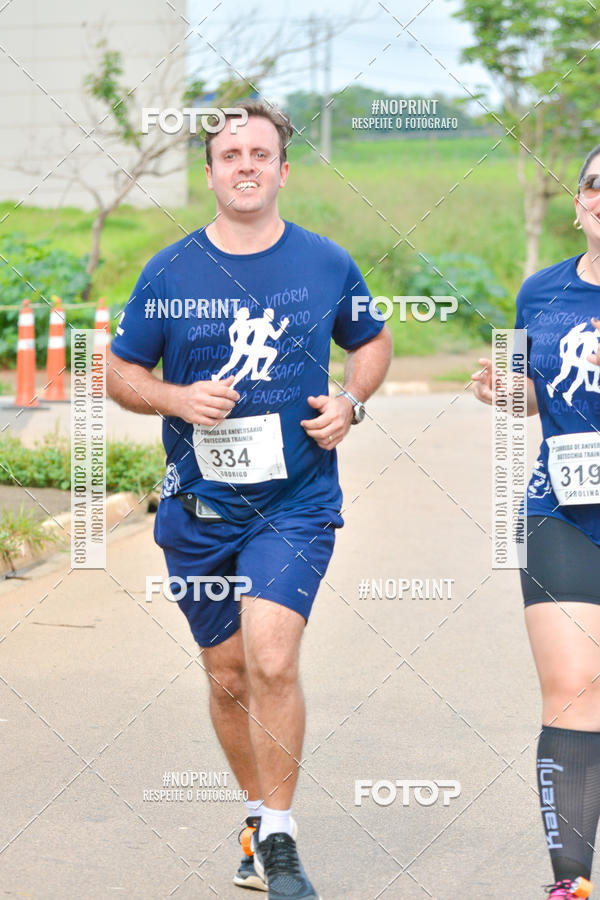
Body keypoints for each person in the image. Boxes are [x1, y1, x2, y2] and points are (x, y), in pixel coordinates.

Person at [107, 99, 392, 900]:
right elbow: (119, 372)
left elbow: (370, 338)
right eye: (230, 154)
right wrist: (174, 400)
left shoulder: (325, 263)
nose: (244, 165)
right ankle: (254, 815)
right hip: (199, 509)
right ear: (210, 173)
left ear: (282, 170)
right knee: (229, 673)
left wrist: (352, 402)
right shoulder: (169, 272)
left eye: (259, 153)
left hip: (295, 500)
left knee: (271, 656)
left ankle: (281, 836)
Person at [472, 145, 600, 899]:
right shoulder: (540, 292)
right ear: (580, 200)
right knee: (574, 687)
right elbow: (528, 391)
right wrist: (504, 391)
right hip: (561, 510)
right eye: (595, 183)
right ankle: (572, 884)